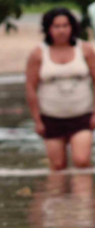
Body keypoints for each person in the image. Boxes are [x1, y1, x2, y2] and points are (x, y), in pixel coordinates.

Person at [26, 8, 95, 171]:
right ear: (48, 29)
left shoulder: (85, 50)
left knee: (82, 161)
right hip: (51, 117)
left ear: (72, 27)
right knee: (57, 166)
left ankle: (84, 197)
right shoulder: (37, 54)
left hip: (82, 116)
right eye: (56, 26)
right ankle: (57, 197)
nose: (61, 30)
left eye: (65, 25)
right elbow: (30, 87)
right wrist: (37, 120)